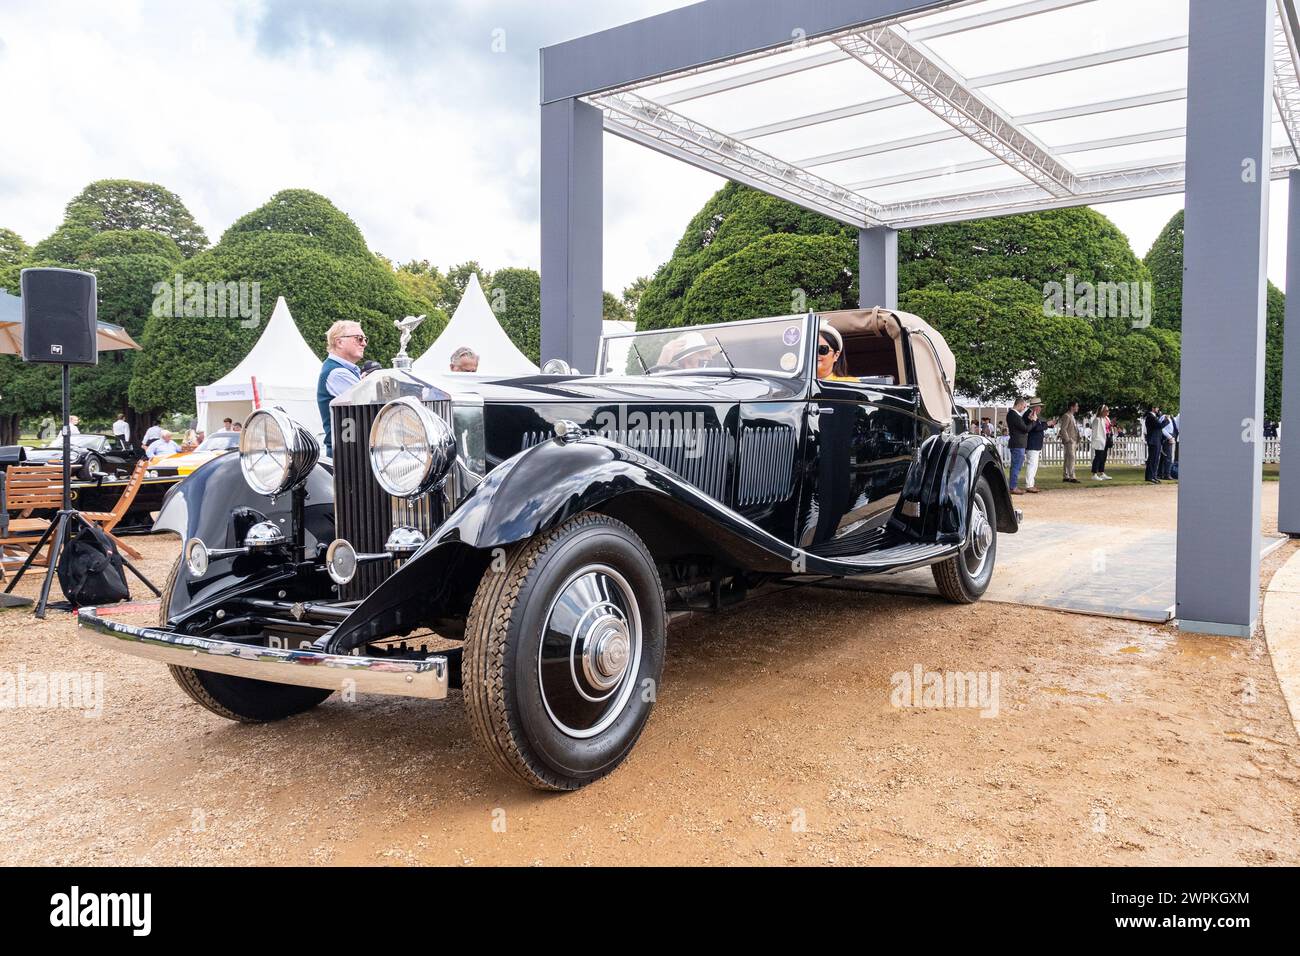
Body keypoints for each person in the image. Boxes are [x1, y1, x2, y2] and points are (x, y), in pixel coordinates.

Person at [317, 320, 366, 456]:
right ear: (339, 342)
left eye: (364, 339)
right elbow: (371, 403)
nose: (364, 343)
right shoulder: (338, 373)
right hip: (347, 457)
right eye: (359, 338)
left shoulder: (339, 370)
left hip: (349, 453)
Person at [1022, 397, 1053, 494]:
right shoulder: (1029, 414)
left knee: (1033, 465)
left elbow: (1038, 425)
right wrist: (1047, 424)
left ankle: (1031, 484)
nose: (1040, 409)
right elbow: (1036, 428)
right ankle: (1029, 485)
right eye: (1039, 407)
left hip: (1034, 443)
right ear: (1035, 407)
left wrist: (1047, 424)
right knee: (1032, 464)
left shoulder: (1032, 414)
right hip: (1032, 443)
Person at [1006, 396, 1029, 495]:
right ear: (1019, 404)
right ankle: (1013, 487)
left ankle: (1012, 486)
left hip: (1017, 443)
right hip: (1018, 444)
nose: (1024, 408)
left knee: (1016, 466)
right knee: (1016, 466)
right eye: (1023, 406)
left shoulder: (1013, 414)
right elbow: (1025, 429)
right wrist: (1033, 421)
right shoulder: (1014, 415)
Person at [1058, 401, 1080, 483]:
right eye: (1076, 406)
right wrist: (1068, 439)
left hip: (1073, 440)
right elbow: (1063, 429)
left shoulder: (1072, 416)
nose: (1077, 408)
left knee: (1068, 459)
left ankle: (1066, 476)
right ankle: (1072, 477)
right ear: (1072, 407)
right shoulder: (1067, 416)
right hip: (1070, 441)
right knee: (1071, 458)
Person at [1143, 404, 1166, 484]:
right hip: (1153, 440)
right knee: (1153, 459)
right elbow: (1159, 426)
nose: (1158, 409)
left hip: (1156, 440)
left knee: (1155, 459)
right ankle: (1150, 476)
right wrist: (1166, 420)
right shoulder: (1150, 417)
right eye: (1157, 407)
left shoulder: (1153, 416)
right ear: (1153, 408)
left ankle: (1153, 476)